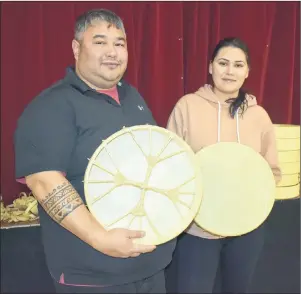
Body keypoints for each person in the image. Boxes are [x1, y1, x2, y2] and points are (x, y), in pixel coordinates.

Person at [14, 9, 176, 293]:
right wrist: (100, 237)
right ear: (77, 48)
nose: (112, 52)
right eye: (100, 42)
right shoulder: (52, 106)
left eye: (119, 43)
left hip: (150, 268)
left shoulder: (133, 97)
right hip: (91, 275)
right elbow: (44, 181)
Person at [165, 37, 281, 293]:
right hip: (197, 230)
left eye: (238, 65)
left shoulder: (258, 115)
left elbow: (271, 172)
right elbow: (169, 165)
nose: (230, 71)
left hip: (247, 230)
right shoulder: (187, 106)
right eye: (223, 63)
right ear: (210, 67)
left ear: (248, 71)